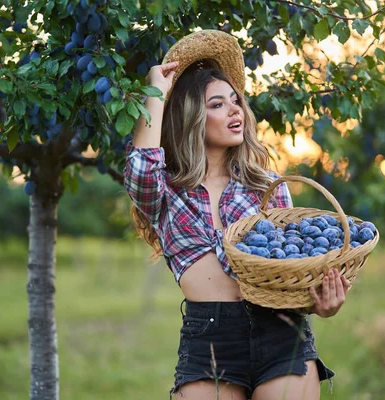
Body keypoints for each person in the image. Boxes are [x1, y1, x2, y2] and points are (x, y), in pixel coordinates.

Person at [123, 30, 349, 400]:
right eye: (217, 104)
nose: (234, 111)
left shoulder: (267, 187)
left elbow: (290, 271)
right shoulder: (167, 193)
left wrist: (320, 304)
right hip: (208, 339)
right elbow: (141, 171)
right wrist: (156, 92)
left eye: (236, 101)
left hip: (280, 332)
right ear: (192, 116)